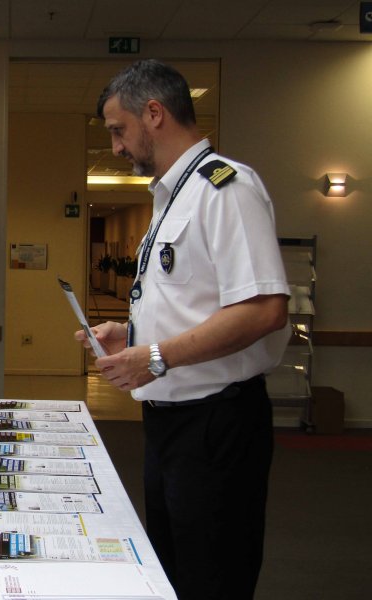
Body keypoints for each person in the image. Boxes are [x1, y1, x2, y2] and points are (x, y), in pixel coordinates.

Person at [76, 60, 291, 600]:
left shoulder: (225, 188)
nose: (116, 147)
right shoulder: (172, 196)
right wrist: (131, 336)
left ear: (155, 113)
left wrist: (155, 357)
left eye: (118, 130)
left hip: (216, 424)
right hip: (169, 424)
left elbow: (264, 309)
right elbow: (190, 304)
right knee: (172, 574)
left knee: (212, 578)